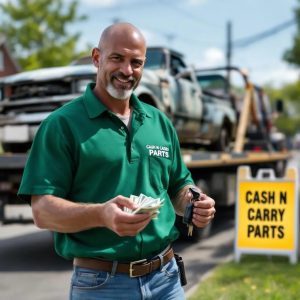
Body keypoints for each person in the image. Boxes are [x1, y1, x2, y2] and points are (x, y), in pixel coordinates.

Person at [18, 22, 216, 300]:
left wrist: (195, 202)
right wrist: (101, 214)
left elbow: (178, 186)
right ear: (97, 58)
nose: (127, 71)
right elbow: (43, 211)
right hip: (101, 285)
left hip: (166, 279)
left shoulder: (159, 122)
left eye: (136, 62)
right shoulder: (61, 125)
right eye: (117, 58)